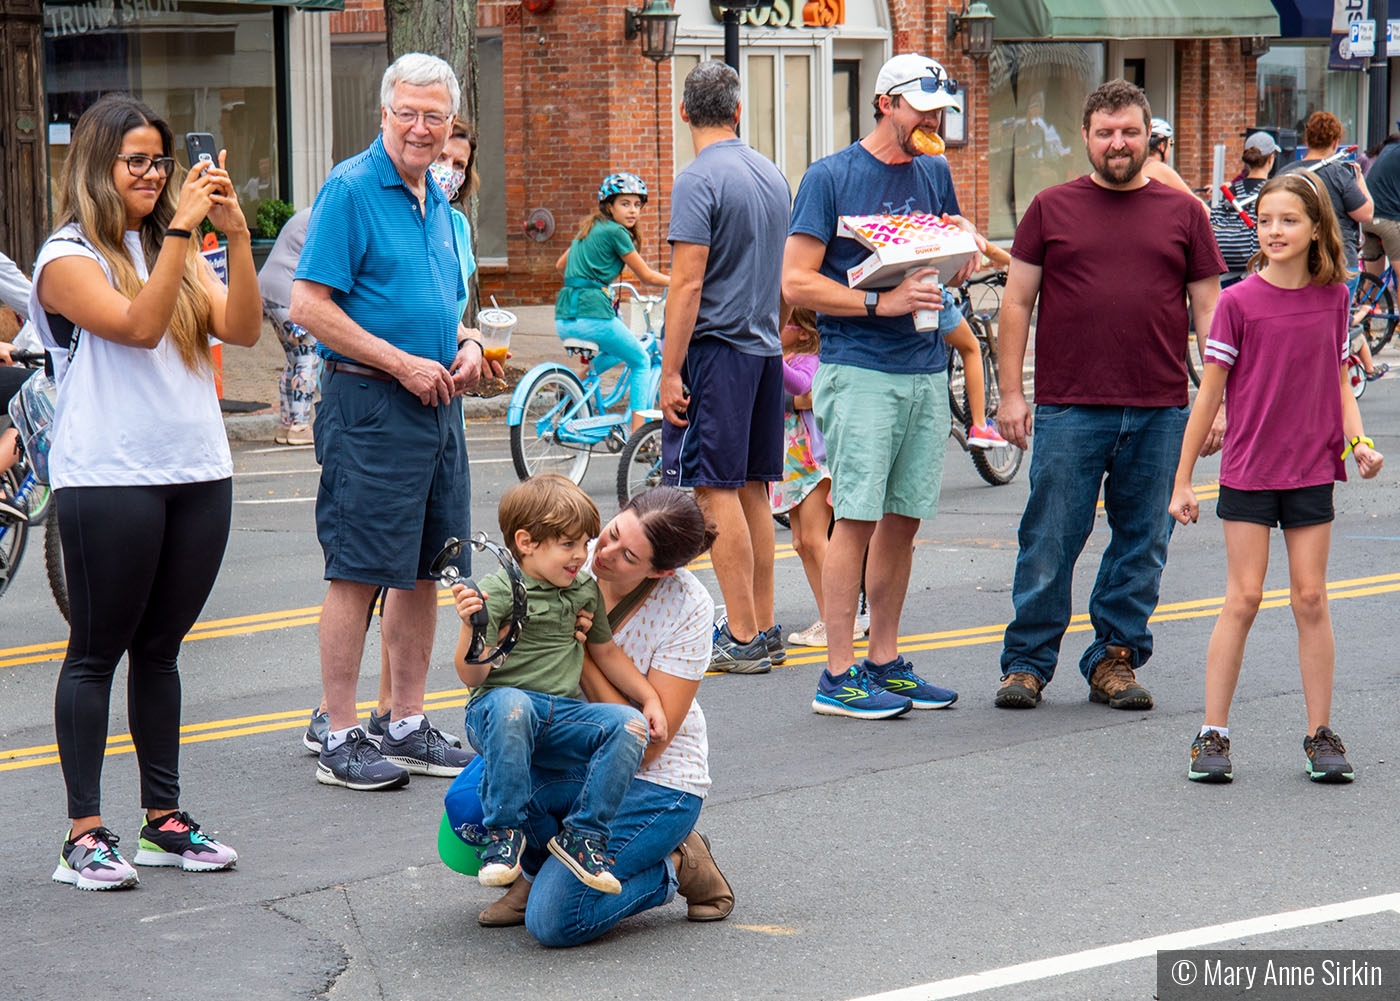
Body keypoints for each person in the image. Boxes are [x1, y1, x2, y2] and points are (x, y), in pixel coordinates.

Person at [31, 93, 262, 889]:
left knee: (160, 651)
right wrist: (178, 232)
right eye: (137, 159)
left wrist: (230, 233)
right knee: (95, 653)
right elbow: (138, 326)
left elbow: (241, 328)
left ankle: (162, 819)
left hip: (198, 470)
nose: (154, 172)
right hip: (109, 476)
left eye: (159, 159)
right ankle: (83, 833)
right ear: (99, 164)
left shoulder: (178, 243)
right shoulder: (67, 255)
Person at [290, 53, 496, 791]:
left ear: (449, 124)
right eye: (407, 112)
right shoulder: (352, 187)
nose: (420, 127)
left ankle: (403, 721)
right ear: (383, 115)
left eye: (433, 115)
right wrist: (401, 361)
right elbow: (308, 306)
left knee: (426, 570)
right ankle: (339, 733)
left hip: (438, 409)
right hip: (373, 405)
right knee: (357, 569)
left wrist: (467, 343)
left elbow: (450, 302)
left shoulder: (435, 198)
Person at [993, 79, 1225, 711]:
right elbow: (1015, 303)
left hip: (1160, 407)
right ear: (1086, 139)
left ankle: (1114, 660)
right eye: (1105, 132)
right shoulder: (1049, 208)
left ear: (1148, 135)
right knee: (1049, 538)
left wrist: (1217, 401)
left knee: (1144, 541)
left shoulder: (1184, 214)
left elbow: (1210, 312)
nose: (1117, 143)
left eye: (1129, 131)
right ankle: (1027, 664)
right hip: (1070, 406)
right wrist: (1011, 394)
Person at [1170, 172, 1383, 784]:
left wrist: (1359, 442)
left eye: (1289, 220)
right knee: (1243, 597)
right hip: (1250, 470)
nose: (1275, 231)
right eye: (1265, 221)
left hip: (1313, 467)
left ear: (1317, 227)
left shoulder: (1335, 299)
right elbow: (1208, 397)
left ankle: (1320, 734)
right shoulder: (1238, 303)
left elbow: (1340, 381)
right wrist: (1183, 481)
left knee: (1311, 599)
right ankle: (1212, 734)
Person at [783, 53, 971, 718]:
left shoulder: (935, 171)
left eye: (940, 109)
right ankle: (836, 674)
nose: (933, 120)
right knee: (855, 516)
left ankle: (884, 660)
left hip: (924, 367)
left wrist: (958, 260)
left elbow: (942, 257)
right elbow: (796, 281)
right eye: (922, 108)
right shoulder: (831, 176)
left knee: (903, 521)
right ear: (887, 104)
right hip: (859, 365)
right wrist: (875, 304)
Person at [476, 487, 734, 945]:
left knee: (554, 921)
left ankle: (677, 865)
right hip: (578, 748)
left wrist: (586, 655)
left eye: (628, 555)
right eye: (612, 533)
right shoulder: (573, 549)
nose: (603, 553)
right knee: (478, 795)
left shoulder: (686, 606)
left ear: (660, 571)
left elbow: (651, 746)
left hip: (657, 781)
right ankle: (538, 870)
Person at [453, 474, 667, 894]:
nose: (581, 556)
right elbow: (472, 677)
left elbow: (605, 652)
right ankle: (504, 833)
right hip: (497, 711)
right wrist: (470, 626)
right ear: (526, 542)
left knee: (628, 725)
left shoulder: (582, 588)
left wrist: (649, 698)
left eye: (585, 543)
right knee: (511, 704)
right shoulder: (496, 592)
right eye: (569, 544)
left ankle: (585, 835)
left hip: (560, 714)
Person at [661, 60, 791, 675]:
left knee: (714, 490)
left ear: (683, 112)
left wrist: (669, 370)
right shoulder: (770, 174)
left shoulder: (696, 179)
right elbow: (786, 278)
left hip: (718, 350)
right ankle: (762, 625)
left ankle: (739, 635)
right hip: (764, 348)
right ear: (738, 110)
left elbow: (686, 287)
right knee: (752, 491)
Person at [555, 173, 670, 433]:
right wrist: (682, 283)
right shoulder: (617, 232)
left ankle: (572, 385)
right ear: (609, 206)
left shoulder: (589, 229)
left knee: (620, 349)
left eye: (637, 205)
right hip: (593, 314)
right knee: (640, 359)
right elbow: (647, 276)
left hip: (564, 316)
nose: (633, 211)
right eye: (625, 203)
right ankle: (640, 434)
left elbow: (561, 265)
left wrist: (590, 277)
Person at [770, 307, 836, 647]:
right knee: (800, 542)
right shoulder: (787, 355)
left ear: (804, 332)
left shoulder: (808, 358)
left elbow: (801, 388)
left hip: (810, 461)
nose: (777, 326)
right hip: (789, 464)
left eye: (785, 323)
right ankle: (827, 617)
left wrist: (769, 353)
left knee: (814, 538)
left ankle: (839, 619)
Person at [1281, 112, 1372, 290]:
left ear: (1306, 141)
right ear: (1336, 142)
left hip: (1296, 259)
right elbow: (1366, 213)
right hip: (1339, 259)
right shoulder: (1340, 174)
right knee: (1337, 316)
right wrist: (1360, 179)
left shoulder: (1286, 174)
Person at [258, 208, 317, 445]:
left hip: (268, 289)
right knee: (308, 354)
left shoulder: (311, 212)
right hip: (288, 291)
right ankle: (300, 426)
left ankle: (286, 423)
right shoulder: (329, 213)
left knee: (293, 358)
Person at [1210, 132, 1277, 279]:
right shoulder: (1273, 192)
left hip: (1225, 274)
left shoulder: (1230, 192)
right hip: (1258, 272)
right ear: (1270, 159)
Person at [1142, 116, 1209, 210]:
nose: (1170, 148)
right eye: (1171, 144)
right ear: (1162, 146)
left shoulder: (1137, 168)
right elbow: (1196, 204)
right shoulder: (1159, 168)